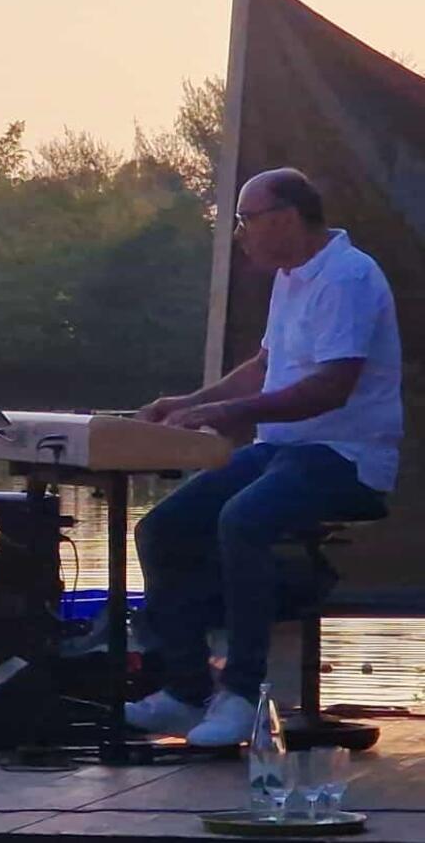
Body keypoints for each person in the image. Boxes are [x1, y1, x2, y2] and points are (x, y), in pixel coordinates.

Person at [126, 167, 401, 747]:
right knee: (161, 529)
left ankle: (243, 694)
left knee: (243, 519)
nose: (241, 233)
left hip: (344, 458)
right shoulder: (292, 276)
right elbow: (265, 364)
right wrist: (192, 401)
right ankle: (185, 691)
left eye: (247, 220)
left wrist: (227, 415)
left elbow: (332, 388)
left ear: (285, 217)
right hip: (282, 450)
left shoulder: (349, 276)